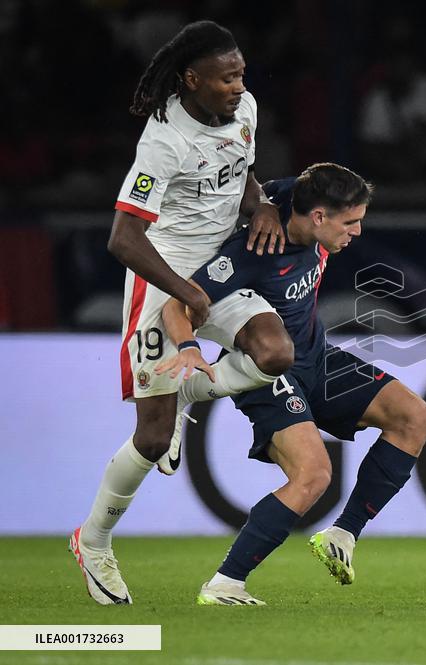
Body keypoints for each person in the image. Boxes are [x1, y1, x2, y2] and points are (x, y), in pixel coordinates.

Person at [69, 20, 294, 606]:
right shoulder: (164, 140)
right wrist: (183, 292)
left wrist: (263, 204)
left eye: (242, 72)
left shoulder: (244, 109)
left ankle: (192, 390)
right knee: (152, 435)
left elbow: (240, 173)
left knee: (275, 351)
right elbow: (122, 238)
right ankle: (93, 541)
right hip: (161, 276)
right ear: (192, 80)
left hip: (218, 272)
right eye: (227, 77)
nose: (239, 85)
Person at [153, 163, 426, 606]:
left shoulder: (293, 197)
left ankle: (343, 534)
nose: (357, 232)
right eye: (351, 222)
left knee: (415, 417)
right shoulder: (253, 251)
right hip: (269, 372)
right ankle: (226, 583)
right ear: (319, 217)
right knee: (313, 475)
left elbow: (257, 178)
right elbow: (178, 303)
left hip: (318, 357)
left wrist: (263, 202)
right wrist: (188, 347)